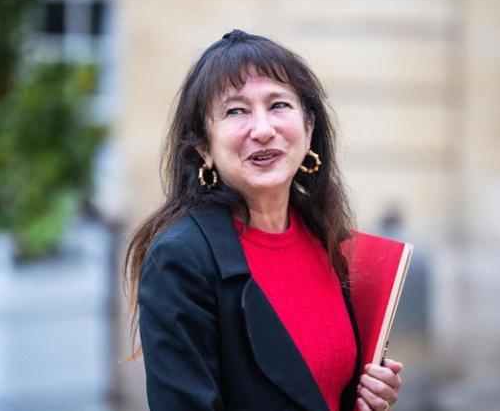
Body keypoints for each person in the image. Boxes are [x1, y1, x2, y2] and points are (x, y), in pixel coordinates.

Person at [123, 30, 403, 411]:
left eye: (278, 105)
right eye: (235, 111)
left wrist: (367, 396)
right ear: (204, 148)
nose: (263, 129)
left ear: (308, 129)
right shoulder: (180, 259)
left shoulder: (325, 236)